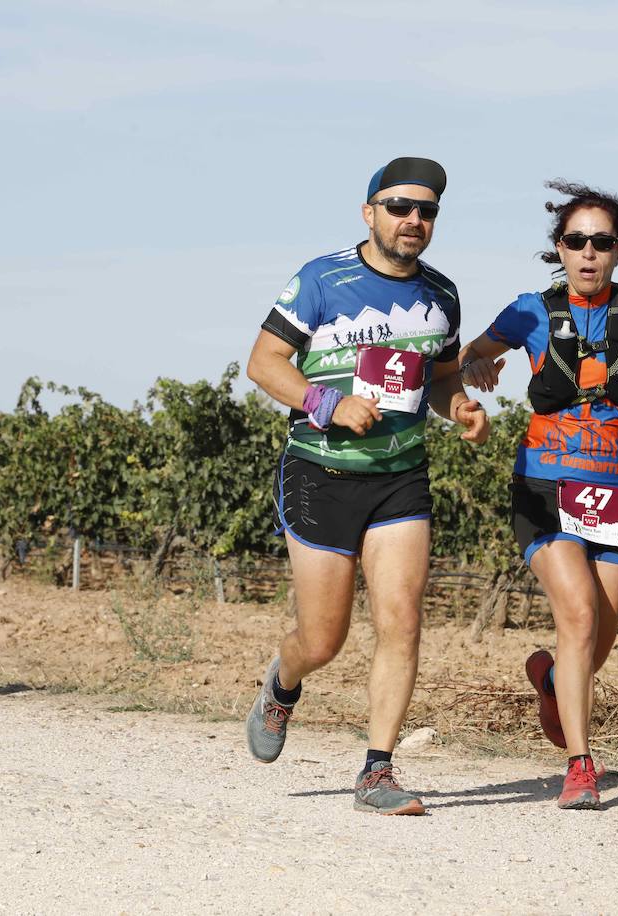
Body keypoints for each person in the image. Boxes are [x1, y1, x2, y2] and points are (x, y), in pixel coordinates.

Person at [244, 157, 489, 815]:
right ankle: (283, 683)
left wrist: (460, 406)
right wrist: (327, 404)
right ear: (369, 212)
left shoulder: (442, 294)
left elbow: (439, 380)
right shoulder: (322, 279)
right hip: (321, 472)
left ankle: (376, 771)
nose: (414, 220)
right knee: (324, 639)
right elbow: (263, 364)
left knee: (401, 618)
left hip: (400, 478)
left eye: (427, 210)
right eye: (400, 206)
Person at [458, 181, 618, 809]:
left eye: (602, 242)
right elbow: (470, 357)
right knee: (580, 615)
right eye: (575, 241)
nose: (588, 253)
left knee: (598, 642)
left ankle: (551, 679)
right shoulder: (530, 311)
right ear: (558, 248)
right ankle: (581, 766)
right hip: (545, 482)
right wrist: (478, 368)